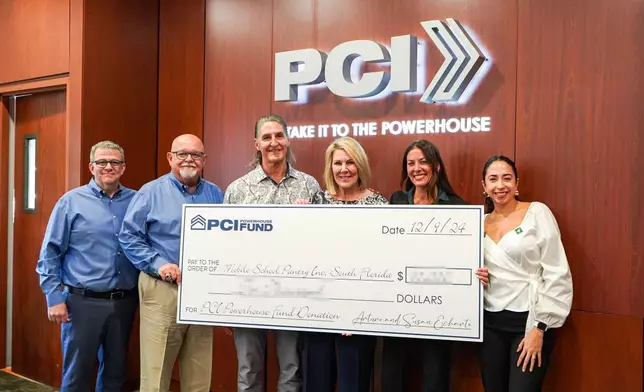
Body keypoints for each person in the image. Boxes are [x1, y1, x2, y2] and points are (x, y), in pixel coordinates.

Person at [381, 139, 488, 392]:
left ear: (437, 167)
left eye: (423, 162)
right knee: (391, 376)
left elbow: (465, 258)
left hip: (438, 309)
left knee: (435, 378)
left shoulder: (457, 206)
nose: (416, 168)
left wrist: (476, 272)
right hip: (398, 306)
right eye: (410, 163)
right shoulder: (396, 200)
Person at [119, 134, 224, 392]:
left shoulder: (214, 193)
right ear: (170, 158)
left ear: (204, 160)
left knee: (199, 374)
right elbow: (128, 235)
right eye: (182, 154)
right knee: (156, 375)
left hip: (201, 292)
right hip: (162, 289)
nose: (189, 159)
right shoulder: (151, 192)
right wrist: (158, 263)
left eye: (196, 155)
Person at [224, 114, 320, 392]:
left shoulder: (309, 186)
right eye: (267, 137)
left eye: (279, 135)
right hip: (248, 292)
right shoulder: (238, 190)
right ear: (256, 143)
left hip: (293, 291)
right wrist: (225, 303)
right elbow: (226, 249)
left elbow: (320, 239)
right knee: (249, 369)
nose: (274, 142)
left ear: (288, 140)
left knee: (292, 369)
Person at [36, 141, 138, 392]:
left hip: (125, 302)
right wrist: (54, 297)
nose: (108, 167)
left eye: (114, 162)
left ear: (123, 168)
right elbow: (49, 253)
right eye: (102, 162)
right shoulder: (71, 202)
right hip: (81, 304)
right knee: (77, 375)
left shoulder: (137, 201)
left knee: (116, 373)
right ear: (91, 167)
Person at [478, 155, 572, 392]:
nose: (500, 185)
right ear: (484, 186)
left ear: (516, 183)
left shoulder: (537, 213)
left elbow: (557, 271)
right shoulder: (479, 221)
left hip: (529, 323)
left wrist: (540, 328)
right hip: (490, 325)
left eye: (507, 178)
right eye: (493, 179)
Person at [301, 136, 387, 392]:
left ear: (360, 165)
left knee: (354, 383)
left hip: (360, 314)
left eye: (350, 162)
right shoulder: (317, 202)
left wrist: (355, 310)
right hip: (319, 310)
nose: (344, 169)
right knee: (317, 381)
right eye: (338, 163)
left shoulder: (379, 205)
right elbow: (307, 255)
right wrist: (296, 220)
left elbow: (382, 262)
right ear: (330, 167)